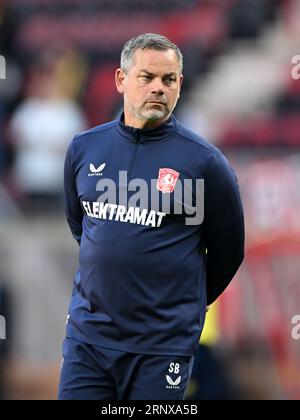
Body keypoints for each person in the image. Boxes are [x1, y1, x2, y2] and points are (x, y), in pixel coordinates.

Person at [58, 33, 244, 400]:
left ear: (179, 86)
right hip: (88, 341)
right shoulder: (84, 148)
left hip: (161, 348)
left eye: (168, 80)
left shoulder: (206, 163)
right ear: (121, 80)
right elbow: (81, 225)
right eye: (147, 77)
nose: (158, 88)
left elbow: (229, 251)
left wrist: (181, 306)